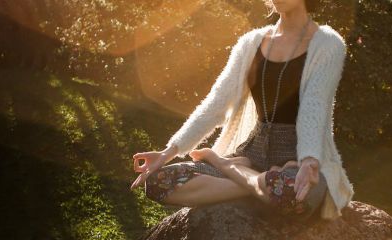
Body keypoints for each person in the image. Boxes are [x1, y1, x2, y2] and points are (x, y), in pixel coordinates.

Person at [130, 0, 355, 221]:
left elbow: (314, 108)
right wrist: (167, 152)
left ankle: (224, 165)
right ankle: (251, 180)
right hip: (251, 154)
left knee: (292, 195)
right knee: (159, 182)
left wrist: (309, 160)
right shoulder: (251, 43)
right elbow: (216, 103)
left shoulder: (328, 44)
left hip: (298, 161)